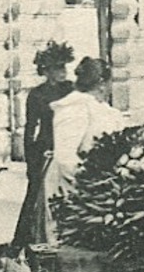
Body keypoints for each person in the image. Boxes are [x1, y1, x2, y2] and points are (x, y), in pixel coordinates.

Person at [12, 40, 74, 249]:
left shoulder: (71, 90)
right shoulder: (36, 95)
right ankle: (25, 244)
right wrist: (31, 164)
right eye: (58, 67)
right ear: (46, 70)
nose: (63, 71)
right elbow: (30, 130)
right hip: (45, 148)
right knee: (35, 196)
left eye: (64, 66)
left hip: (66, 144)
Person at [47, 56, 129, 202]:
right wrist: (91, 183)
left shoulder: (102, 108)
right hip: (80, 193)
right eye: (111, 81)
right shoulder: (74, 107)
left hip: (106, 190)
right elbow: (64, 157)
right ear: (102, 83)